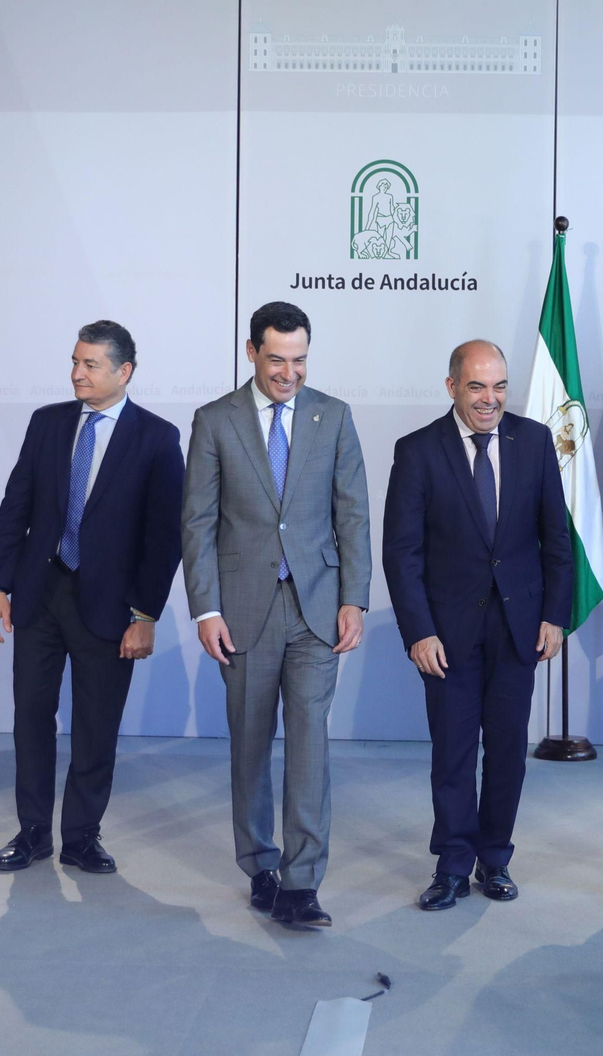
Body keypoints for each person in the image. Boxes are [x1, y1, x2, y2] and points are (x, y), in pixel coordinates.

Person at [181, 301, 371, 927]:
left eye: (300, 359)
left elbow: (353, 516)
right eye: (277, 360)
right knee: (250, 745)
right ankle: (260, 863)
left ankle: (302, 882)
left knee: (310, 746)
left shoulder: (334, 416)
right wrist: (205, 610)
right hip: (242, 611)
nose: (289, 372)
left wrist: (354, 598)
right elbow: (199, 524)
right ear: (251, 352)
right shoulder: (214, 421)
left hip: (315, 607)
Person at [0, 321, 184, 875]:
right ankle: (31, 833)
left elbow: (164, 538)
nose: (76, 373)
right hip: (39, 596)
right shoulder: (46, 423)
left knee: (96, 726)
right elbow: (15, 508)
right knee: (31, 719)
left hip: (110, 607)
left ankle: (81, 837)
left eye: (90, 365)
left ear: (124, 372)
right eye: (74, 361)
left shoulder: (158, 438)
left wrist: (144, 615)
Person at [382, 340, 572, 910]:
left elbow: (556, 543)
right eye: (476, 387)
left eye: (499, 387)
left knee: (508, 751)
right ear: (451, 387)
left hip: (519, 629)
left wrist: (554, 616)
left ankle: (495, 859)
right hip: (446, 634)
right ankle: (452, 865)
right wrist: (418, 630)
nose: (490, 399)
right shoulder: (417, 451)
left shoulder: (534, 441)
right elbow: (402, 553)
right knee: (454, 753)